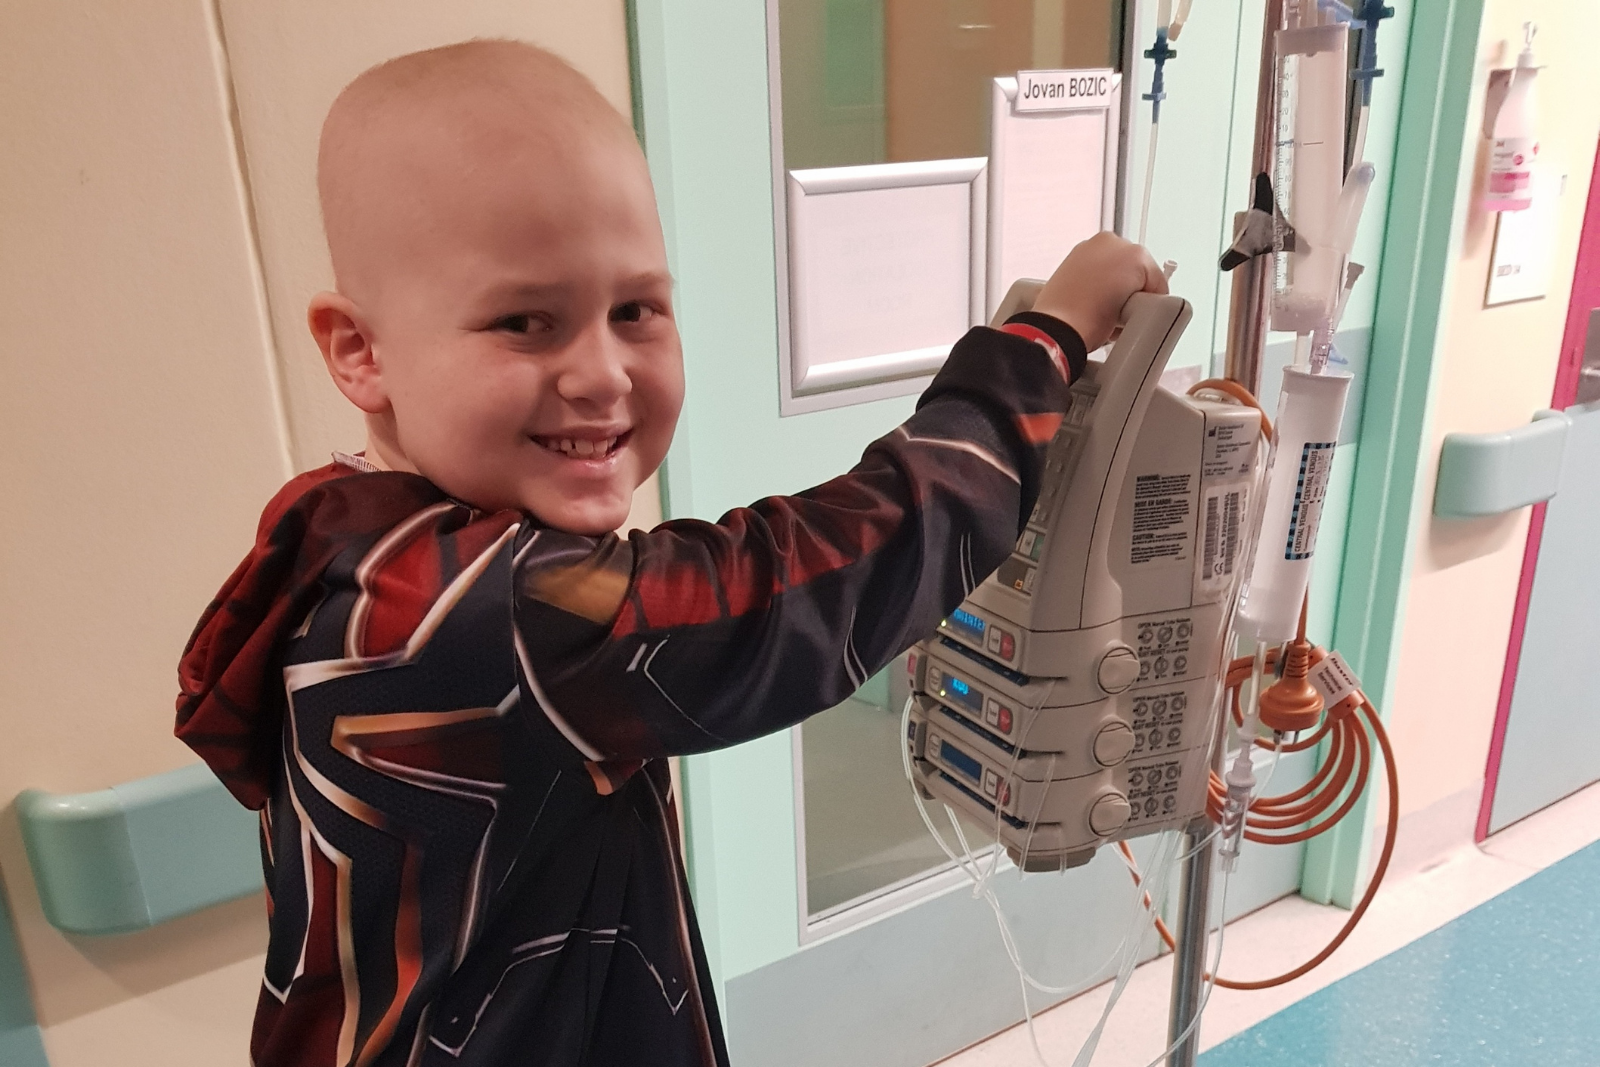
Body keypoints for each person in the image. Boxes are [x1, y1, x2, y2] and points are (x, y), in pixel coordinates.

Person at [175, 38, 1167, 1067]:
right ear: (358, 350)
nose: (601, 373)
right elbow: (801, 582)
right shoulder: (490, 613)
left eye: (635, 309)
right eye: (524, 322)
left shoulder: (352, 542)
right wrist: (1041, 341)